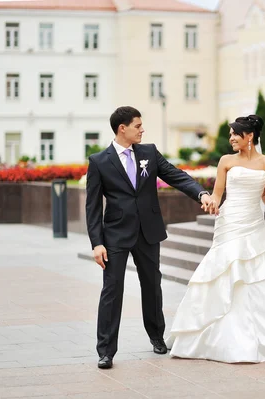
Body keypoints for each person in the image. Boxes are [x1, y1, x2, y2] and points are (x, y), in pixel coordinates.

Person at [165, 115, 265, 363]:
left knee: (259, 274)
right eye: (230, 134)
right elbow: (218, 195)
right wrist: (210, 203)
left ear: (249, 136)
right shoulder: (226, 161)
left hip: (253, 223)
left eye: (234, 134)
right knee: (226, 271)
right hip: (229, 222)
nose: (230, 138)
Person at [85, 106, 216, 369]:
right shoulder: (99, 161)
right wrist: (97, 243)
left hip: (148, 231)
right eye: (137, 125)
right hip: (116, 235)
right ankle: (106, 351)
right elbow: (92, 206)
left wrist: (200, 193)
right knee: (112, 290)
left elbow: (176, 176)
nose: (142, 129)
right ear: (122, 128)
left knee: (152, 286)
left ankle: (157, 337)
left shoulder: (149, 153)